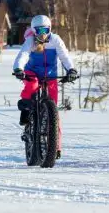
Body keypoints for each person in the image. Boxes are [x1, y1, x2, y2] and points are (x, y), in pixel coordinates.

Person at [12, 14, 78, 158]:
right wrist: (18, 69)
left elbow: (64, 56)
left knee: (54, 112)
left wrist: (71, 70)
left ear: (50, 29)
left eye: (45, 30)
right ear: (33, 31)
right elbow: (22, 55)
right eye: (39, 31)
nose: (42, 34)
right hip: (32, 73)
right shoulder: (30, 41)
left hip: (50, 76)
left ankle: (56, 146)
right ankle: (26, 109)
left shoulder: (55, 40)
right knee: (32, 85)